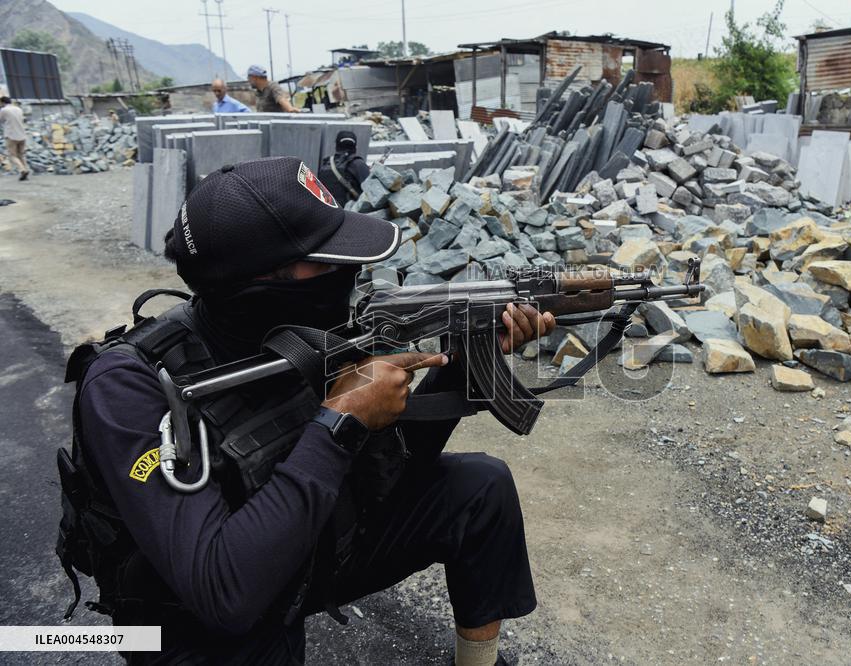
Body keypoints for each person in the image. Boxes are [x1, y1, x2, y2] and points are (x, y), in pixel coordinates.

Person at [58, 156, 555, 665]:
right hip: (198, 619)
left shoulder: (309, 327)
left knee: (479, 487)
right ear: (264, 283)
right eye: (328, 258)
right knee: (252, 641)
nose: (348, 271)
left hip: (306, 549)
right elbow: (225, 594)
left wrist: (466, 358)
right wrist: (341, 420)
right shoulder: (129, 389)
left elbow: (392, 473)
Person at [318, 130, 371, 206]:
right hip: (350, 214)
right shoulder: (358, 164)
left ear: (336, 146)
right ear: (355, 146)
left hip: (327, 212)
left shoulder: (325, 165)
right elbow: (372, 191)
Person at [0, 96, 30, 181]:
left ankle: (22, 170)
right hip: (22, 135)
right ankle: (26, 169)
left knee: (12, 155)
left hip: (11, 135)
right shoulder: (18, 109)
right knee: (21, 155)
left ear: (2, 102)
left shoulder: (4, 110)